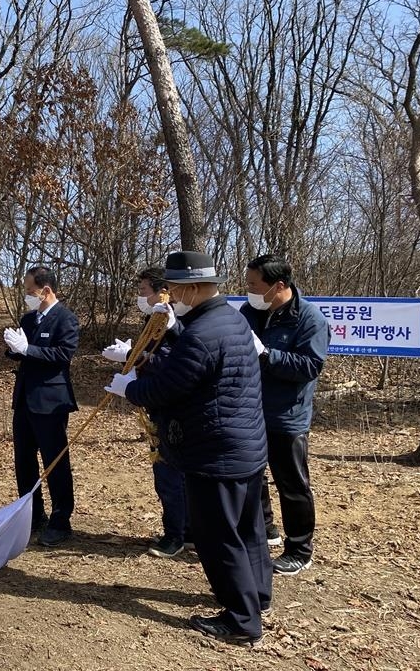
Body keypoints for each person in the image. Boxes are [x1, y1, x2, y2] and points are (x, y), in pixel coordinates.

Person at [105, 251, 271, 646]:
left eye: (175, 290)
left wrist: (130, 388)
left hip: (214, 450)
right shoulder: (231, 319)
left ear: (194, 288)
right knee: (249, 528)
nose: (170, 297)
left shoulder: (202, 334)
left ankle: (240, 619)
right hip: (246, 443)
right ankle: (258, 596)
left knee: (218, 536)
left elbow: (169, 387)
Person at [241, 254, 329, 576]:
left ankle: (300, 549)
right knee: (251, 475)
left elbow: (309, 366)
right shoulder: (251, 312)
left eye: (254, 285)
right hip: (250, 410)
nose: (248, 290)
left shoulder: (309, 319)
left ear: (278, 285)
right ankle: (266, 530)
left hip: (286, 416)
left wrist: (267, 354)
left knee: (292, 485)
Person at [102, 266, 187, 558]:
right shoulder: (154, 320)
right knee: (167, 473)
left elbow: (167, 363)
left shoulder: (172, 322)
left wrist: (129, 357)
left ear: (163, 292)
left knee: (170, 474)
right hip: (156, 404)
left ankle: (177, 535)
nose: (140, 296)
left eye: (143, 291)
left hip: (172, 410)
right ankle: (181, 529)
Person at [2, 265, 80, 547]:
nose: (27, 296)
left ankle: (61, 519)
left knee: (55, 462)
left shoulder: (65, 319)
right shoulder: (29, 318)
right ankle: (32, 514)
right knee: (23, 461)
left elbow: (62, 354)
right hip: (24, 400)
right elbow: (20, 352)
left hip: (50, 402)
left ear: (46, 291)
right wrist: (14, 348)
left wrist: (28, 350)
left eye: (29, 291)